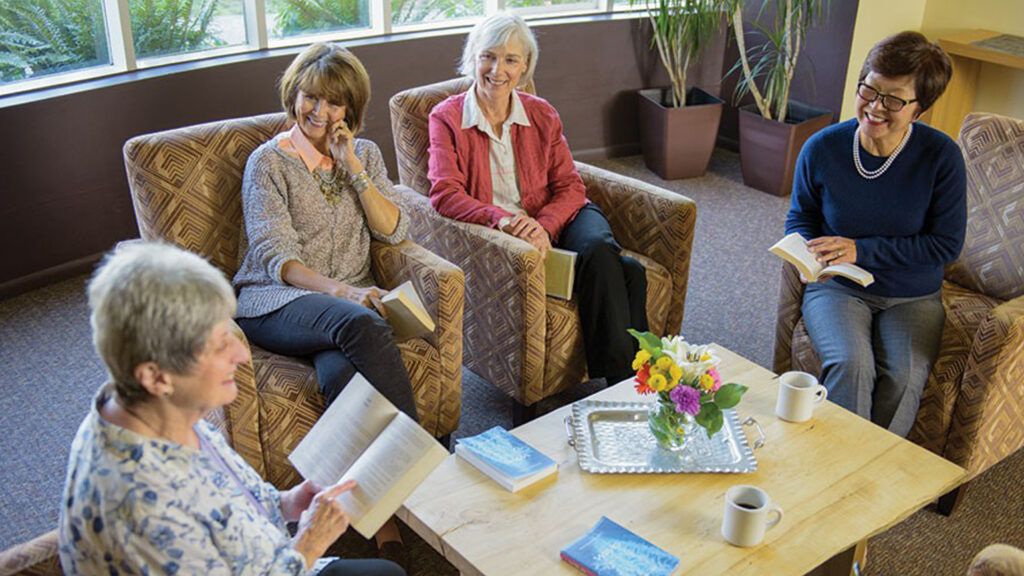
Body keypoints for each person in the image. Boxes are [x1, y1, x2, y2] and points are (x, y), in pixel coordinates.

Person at [58, 242, 404, 576]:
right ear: (155, 375)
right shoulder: (142, 508)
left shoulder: (162, 409)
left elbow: (228, 499)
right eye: (218, 345)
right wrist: (308, 544)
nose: (241, 355)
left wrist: (286, 502)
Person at [231, 42, 413, 561]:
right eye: (310, 97)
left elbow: (395, 229)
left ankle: (384, 528)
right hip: (277, 301)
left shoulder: (366, 155)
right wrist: (347, 292)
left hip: (337, 314)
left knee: (343, 381)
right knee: (359, 325)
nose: (319, 112)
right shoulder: (267, 163)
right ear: (294, 96)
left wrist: (352, 165)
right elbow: (275, 257)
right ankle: (426, 465)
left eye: (333, 103)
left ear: (350, 110)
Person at [427, 12, 648, 385]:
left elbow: (570, 187)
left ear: (525, 66)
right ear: (472, 58)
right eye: (488, 56)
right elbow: (444, 194)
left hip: (561, 215)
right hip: (504, 230)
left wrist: (543, 226)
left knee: (597, 244)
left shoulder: (541, 113)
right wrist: (507, 220)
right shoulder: (446, 118)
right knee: (630, 273)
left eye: (511, 60)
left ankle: (624, 386)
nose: (498, 69)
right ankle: (629, 382)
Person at [785, 31, 967, 437]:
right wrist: (805, 256)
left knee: (904, 376)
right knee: (851, 363)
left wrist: (860, 250)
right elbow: (801, 217)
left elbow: (946, 244)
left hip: (912, 295)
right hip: (838, 287)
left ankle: (871, 478)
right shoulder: (822, 148)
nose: (875, 106)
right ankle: (837, 470)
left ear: (919, 109)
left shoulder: (941, 158)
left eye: (894, 99)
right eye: (870, 88)